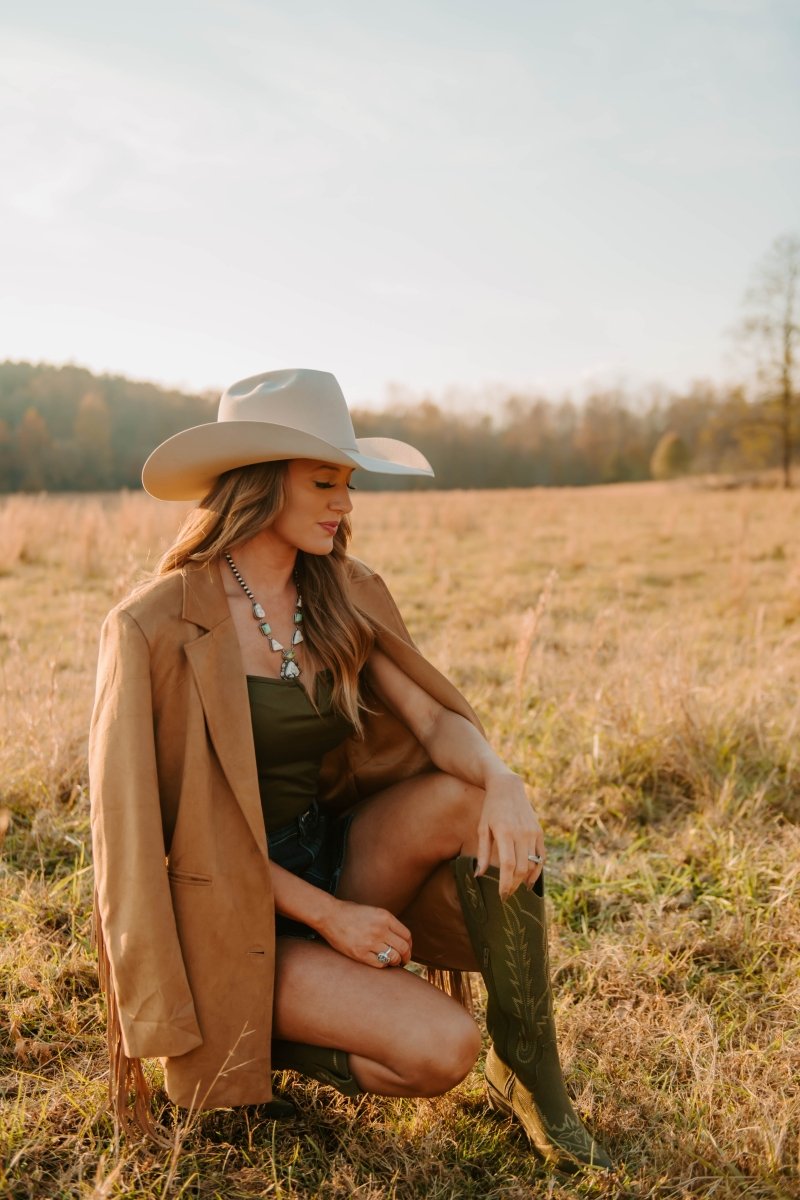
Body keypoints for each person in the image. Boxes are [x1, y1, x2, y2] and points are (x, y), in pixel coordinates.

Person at [89, 368, 611, 1171]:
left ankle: (533, 1074)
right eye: (324, 480)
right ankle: (244, 1047)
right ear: (258, 486)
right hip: (231, 909)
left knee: (467, 795)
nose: (346, 502)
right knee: (442, 1048)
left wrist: (506, 782)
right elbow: (140, 845)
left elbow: (436, 720)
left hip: (331, 859)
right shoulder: (153, 627)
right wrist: (328, 918)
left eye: (349, 482)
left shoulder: (343, 592)